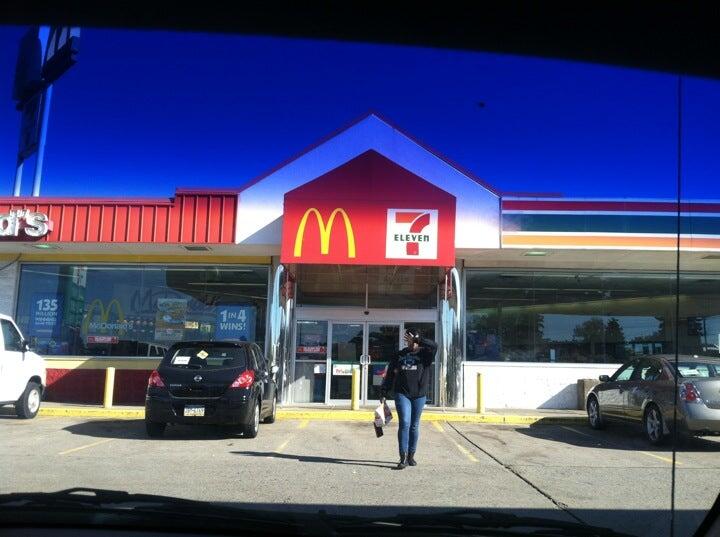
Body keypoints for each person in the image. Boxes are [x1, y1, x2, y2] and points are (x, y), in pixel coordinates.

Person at [380, 329, 437, 470]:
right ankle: (403, 458)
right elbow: (390, 374)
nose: (410, 342)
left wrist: (419, 339)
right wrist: (384, 391)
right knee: (405, 423)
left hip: (419, 395)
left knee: (414, 425)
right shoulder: (400, 355)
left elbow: (435, 345)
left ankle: (411, 455)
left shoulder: (426, 354)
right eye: (408, 339)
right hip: (402, 394)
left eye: (412, 339)